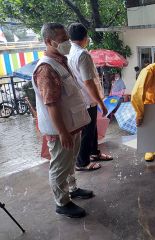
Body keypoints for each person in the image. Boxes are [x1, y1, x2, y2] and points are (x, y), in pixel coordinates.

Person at [32, 23, 94, 218]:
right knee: (59, 165)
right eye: (62, 39)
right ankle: (62, 202)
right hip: (61, 130)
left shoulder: (61, 61)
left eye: (67, 38)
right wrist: (62, 132)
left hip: (72, 125)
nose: (67, 42)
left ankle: (72, 189)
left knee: (69, 162)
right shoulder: (46, 69)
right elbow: (51, 104)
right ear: (48, 42)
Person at [67, 23, 113, 172]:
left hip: (82, 98)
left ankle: (94, 153)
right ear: (85, 37)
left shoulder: (71, 53)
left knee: (92, 128)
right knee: (87, 131)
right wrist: (101, 102)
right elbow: (88, 82)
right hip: (88, 99)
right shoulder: (83, 55)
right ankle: (82, 162)